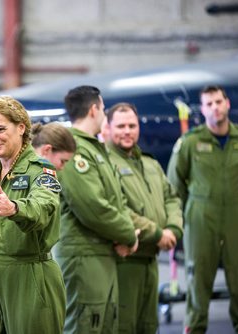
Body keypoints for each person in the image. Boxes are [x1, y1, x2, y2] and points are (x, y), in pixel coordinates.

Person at [167, 85, 238, 334]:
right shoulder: (190, 143)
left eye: (218, 101)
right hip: (201, 220)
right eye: (209, 103)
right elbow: (174, 186)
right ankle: (194, 328)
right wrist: (178, 221)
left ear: (227, 103)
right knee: (197, 284)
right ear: (202, 109)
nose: (215, 107)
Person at [55, 85, 139, 334]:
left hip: (100, 252)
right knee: (85, 326)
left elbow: (116, 200)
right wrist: (129, 234)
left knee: (104, 325)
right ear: (94, 109)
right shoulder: (76, 149)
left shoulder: (94, 148)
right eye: (103, 108)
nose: (103, 113)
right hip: (83, 254)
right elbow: (92, 206)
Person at [0, 96, 66, 334]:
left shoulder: (42, 169)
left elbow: (43, 207)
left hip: (31, 276)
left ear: (21, 128)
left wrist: (15, 208)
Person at [104, 103, 183, 333]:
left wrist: (173, 230)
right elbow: (118, 209)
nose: (127, 131)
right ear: (108, 128)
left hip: (152, 260)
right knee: (124, 327)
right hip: (125, 261)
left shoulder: (151, 164)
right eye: (120, 126)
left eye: (132, 125)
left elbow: (172, 198)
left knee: (149, 327)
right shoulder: (105, 164)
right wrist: (158, 234)